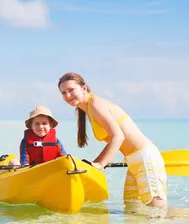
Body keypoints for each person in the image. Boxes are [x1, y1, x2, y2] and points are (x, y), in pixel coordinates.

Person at [57, 72, 167, 209]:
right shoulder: (88, 109)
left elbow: (118, 136)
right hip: (134, 161)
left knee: (158, 212)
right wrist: (95, 165)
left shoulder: (95, 105)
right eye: (63, 93)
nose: (68, 95)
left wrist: (100, 164)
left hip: (145, 159)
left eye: (71, 90)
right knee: (132, 210)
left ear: (84, 88)